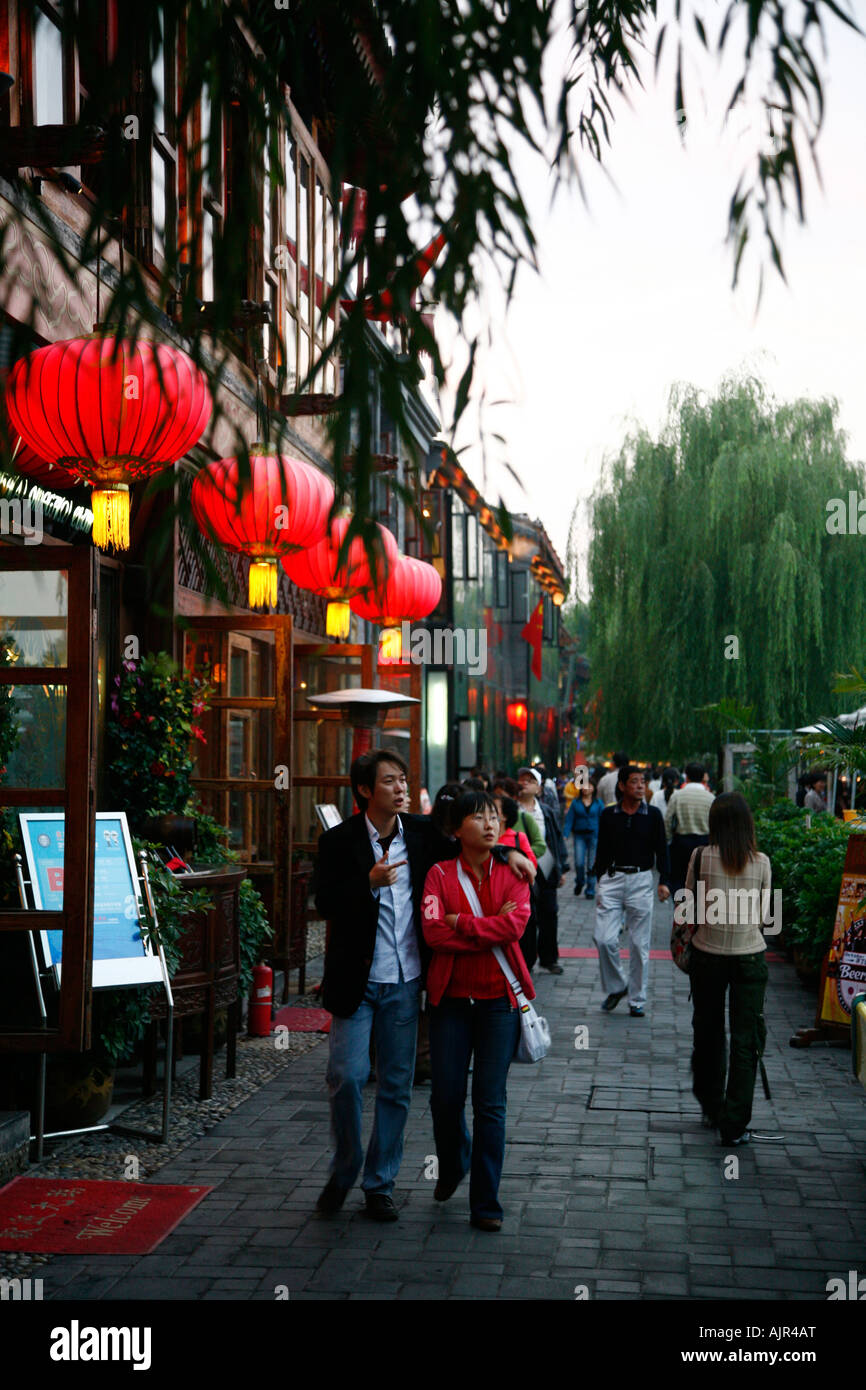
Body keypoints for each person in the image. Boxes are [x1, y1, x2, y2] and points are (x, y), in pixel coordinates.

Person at [313, 750, 534, 1222]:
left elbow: (470, 841)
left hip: (407, 981)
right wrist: (366, 883)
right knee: (347, 1077)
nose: (400, 788)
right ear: (365, 791)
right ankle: (346, 1166)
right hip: (358, 980)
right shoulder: (338, 841)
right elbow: (324, 902)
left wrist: (509, 852)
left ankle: (380, 1183)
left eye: (403, 780)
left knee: (396, 1085)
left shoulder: (420, 833)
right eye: (389, 781)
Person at [421, 789, 532, 1231]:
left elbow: (516, 926)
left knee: (491, 1103)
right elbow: (432, 934)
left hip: (498, 1004)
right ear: (455, 828)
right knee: (445, 1097)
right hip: (450, 1003)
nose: (489, 825)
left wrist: (463, 924)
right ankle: (454, 1161)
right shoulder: (438, 875)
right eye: (478, 817)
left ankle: (486, 1202)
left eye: (494, 818)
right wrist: (488, 928)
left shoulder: (513, 870)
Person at [685, 792, 771, 1145]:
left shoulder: (700, 856)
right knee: (745, 1040)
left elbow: (687, 907)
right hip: (750, 957)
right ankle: (734, 1124)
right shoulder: (762, 861)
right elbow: (770, 919)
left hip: (707, 955)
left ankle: (711, 1105)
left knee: (708, 1033)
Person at [592, 765, 671, 1017]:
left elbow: (662, 850)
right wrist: (598, 878)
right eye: (634, 782)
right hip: (612, 879)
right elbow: (602, 849)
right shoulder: (608, 816)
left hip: (641, 880)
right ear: (622, 786)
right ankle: (617, 986)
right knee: (603, 938)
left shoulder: (654, 815)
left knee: (639, 944)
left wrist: (664, 881)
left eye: (643, 782)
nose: (640, 786)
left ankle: (637, 999)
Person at [517, 765, 568, 973]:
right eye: (522, 779)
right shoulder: (511, 810)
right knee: (526, 916)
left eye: (530, 780)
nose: (525, 782)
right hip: (519, 868)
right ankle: (526, 960)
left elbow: (556, 838)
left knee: (549, 912)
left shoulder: (546, 811)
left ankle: (549, 958)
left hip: (545, 864)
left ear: (539, 788)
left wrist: (562, 867)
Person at [493, 786, 539, 969]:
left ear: (503, 816)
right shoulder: (480, 839)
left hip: (516, 901)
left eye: (493, 810)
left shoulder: (518, 837)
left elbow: (531, 865)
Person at [664, 761, 715, 896]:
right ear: (704, 776)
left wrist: (669, 840)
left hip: (681, 843)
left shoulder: (677, 796)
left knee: (680, 881)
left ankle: (682, 911)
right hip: (705, 844)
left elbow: (668, 820)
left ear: (686, 777)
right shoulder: (711, 798)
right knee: (702, 881)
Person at [563, 775, 603, 898]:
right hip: (579, 835)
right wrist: (565, 834)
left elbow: (603, 820)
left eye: (589, 786)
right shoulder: (575, 803)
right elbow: (569, 820)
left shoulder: (599, 803)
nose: (586, 788)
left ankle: (590, 889)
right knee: (579, 862)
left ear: (594, 788)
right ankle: (580, 881)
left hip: (594, 835)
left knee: (592, 864)